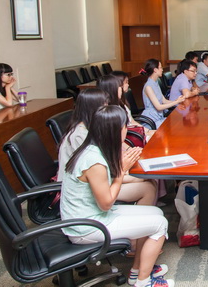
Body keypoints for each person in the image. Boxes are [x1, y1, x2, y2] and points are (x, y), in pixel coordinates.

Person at [61, 105, 173, 287]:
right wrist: (121, 173)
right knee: (160, 224)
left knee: (156, 213)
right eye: (124, 126)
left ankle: (137, 271)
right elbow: (106, 203)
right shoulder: (94, 161)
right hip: (87, 227)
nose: (127, 129)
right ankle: (144, 282)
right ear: (115, 130)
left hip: (93, 215)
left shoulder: (92, 148)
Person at [57, 88, 109, 181]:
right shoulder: (79, 135)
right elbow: (93, 166)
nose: (107, 109)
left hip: (91, 177)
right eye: (104, 105)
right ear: (94, 108)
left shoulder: (90, 127)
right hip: (76, 183)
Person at [140, 59, 185, 129]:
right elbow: (158, 107)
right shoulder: (148, 86)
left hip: (159, 117)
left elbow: (164, 100)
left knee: (178, 122)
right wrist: (176, 102)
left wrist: (177, 102)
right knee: (175, 126)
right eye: (160, 67)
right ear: (155, 70)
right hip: (152, 120)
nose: (162, 69)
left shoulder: (155, 82)